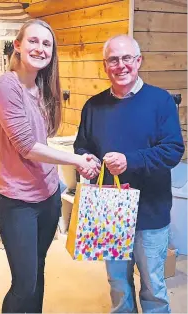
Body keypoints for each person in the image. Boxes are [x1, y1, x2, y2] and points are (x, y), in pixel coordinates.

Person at [0, 19, 100, 314]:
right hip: (17, 199)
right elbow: (27, 146)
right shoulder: (5, 87)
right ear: (19, 45)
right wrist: (77, 161)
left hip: (48, 195)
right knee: (24, 284)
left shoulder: (42, 88)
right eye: (33, 41)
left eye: (46, 44)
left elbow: (43, 140)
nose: (40, 48)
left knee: (37, 269)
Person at [74, 35, 184, 313]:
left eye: (127, 59)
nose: (120, 65)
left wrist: (130, 161)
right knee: (118, 285)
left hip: (150, 210)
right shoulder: (92, 106)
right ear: (105, 65)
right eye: (113, 59)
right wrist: (85, 161)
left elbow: (172, 150)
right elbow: (82, 147)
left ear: (138, 61)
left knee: (153, 287)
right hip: (109, 210)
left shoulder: (161, 101)